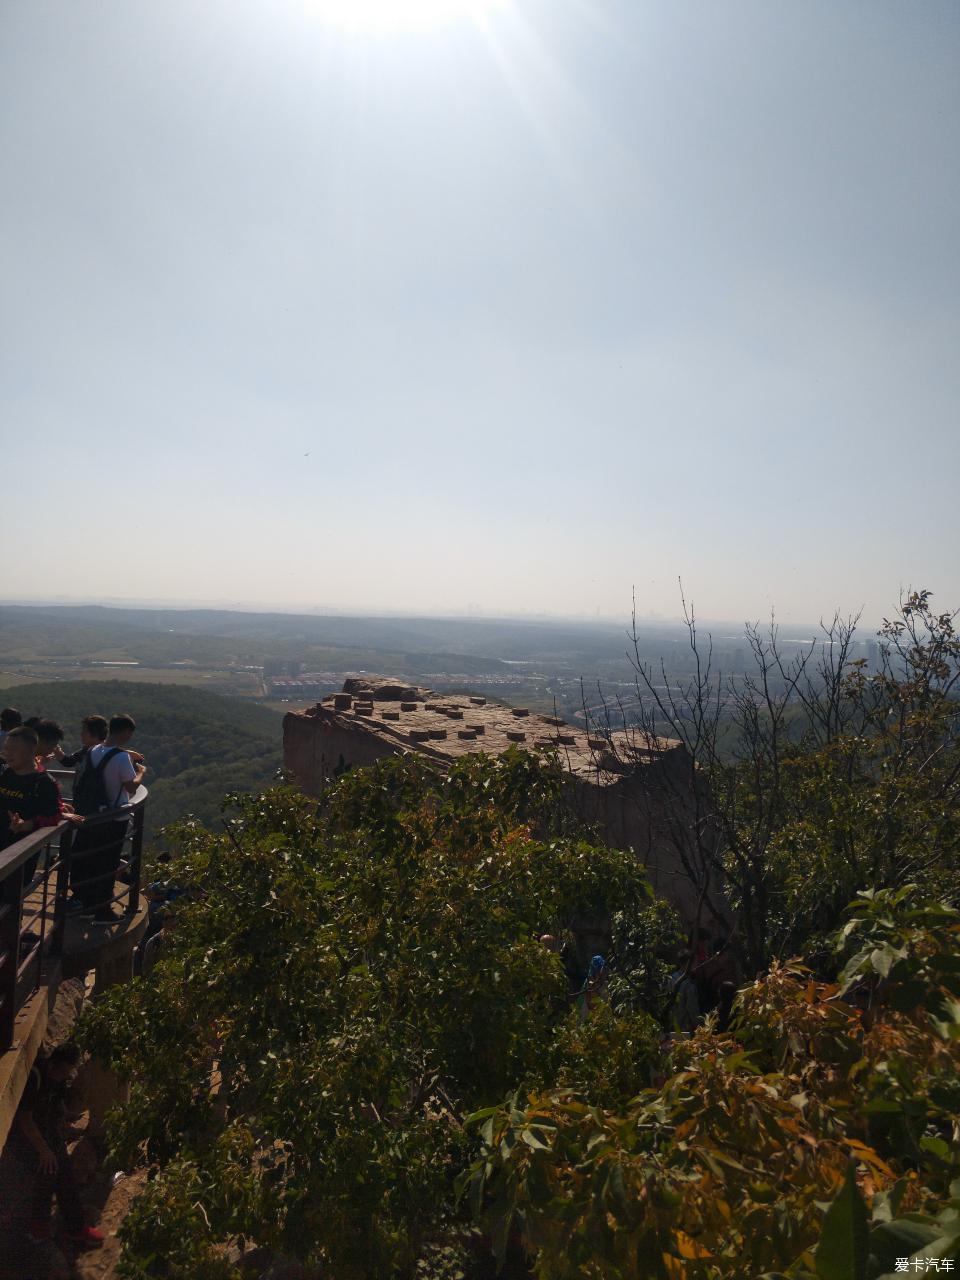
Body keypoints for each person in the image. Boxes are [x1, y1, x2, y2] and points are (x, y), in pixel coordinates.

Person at [9, 1043, 104, 1251]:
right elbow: (25, 1120)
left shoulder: (57, 1080)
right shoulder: (36, 1078)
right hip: (26, 1138)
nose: (65, 1076)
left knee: (65, 1171)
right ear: (55, 1065)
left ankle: (76, 1227)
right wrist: (44, 1150)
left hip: (48, 1132)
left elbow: (57, 1104)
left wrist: (66, 1121)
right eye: (65, 1071)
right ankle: (38, 1227)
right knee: (48, 1170)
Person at [70, 713, 146, 919]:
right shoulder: (121, 757)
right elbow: (130, 788)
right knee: (106, 863)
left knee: (88, 859)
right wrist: (141, 773)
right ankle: (101, 910)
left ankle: (81, 901)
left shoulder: (93, 750)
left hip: (91, 814)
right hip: (113, 818)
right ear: (126, 732)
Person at [0, 726, 67, 880]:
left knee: (9, 900)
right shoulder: (5, 774)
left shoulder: (43, 783)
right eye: (6, 748)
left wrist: (26, 824)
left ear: (31, 750)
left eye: (13, 749)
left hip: (20, 856)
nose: (7, 753)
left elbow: (54, 815)